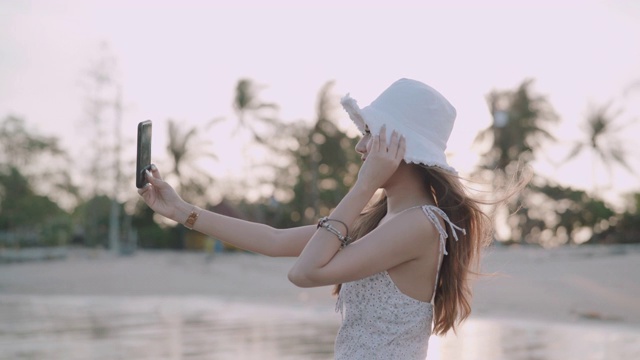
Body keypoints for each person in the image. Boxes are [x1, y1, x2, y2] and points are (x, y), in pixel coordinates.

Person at [138, 78, 494, 359]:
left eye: (369, 135)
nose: (360, 148)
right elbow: (274, 241)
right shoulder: (382, 219)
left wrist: (364, 185)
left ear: (398, 147)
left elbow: (304, 273)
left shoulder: (420, 224)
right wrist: (182, 211)